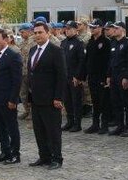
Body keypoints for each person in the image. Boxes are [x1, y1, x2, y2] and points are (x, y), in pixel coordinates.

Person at [27, 22, 67, 170]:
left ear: (48, 33)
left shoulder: (55, 51)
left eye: (40, 32)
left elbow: (61, 75)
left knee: (53, 130)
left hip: (51, 98)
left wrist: (58, 97)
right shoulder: (32, 50)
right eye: (35, 33)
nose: (37, 35)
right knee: (39, 130)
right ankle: (44, 156)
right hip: (36, 97)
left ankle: (56, 158)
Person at [0, 29, 23, 165]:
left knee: (11, 127)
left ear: (6, 39)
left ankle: (15, 154)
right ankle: (5, 151)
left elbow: (17, 80)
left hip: (7, 99)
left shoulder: (13, 56)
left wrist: (13, 99)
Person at [82, 20, 112, 134]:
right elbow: (87, 59)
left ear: (100, 28)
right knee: (95, 101)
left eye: (94, 27)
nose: (92, 29)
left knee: (104, 102)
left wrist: (107, 76)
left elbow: (109, 61)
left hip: (102, 77)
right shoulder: (90, 42)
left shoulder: (106, 42)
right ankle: (95, 124)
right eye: (91, 27)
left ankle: (104, 125)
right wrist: (83, 75)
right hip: (92, 76)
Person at [106, 23, 128, 137]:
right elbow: (110, 61)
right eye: (113, 28)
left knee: (126, 103)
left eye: (116, 28)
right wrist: (108, 75)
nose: (114, 30)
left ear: (122, 29)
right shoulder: (113, 42)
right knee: (116, 102)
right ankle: (120, 126)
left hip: (123, 76)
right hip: (114, 76)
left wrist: (127, 77)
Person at [59, 21, 86, 132]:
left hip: (74, 77)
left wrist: (78, 76)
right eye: (66, 28)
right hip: (65, 76)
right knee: (67, 101)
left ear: (75, 30)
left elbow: (82, 61)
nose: (67, 30)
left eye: (69, 29)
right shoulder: (63, 42)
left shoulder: (79, 43)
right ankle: (69, 121)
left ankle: (77, 123)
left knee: (76, 101)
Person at [17, 23, 34, 121]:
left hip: (30, 72)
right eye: (20, 32)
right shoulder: (22, 43)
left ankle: (32, 112)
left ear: (29, 31)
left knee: (31, 93)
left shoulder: (34, 41)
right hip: (22, 71)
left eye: (23, 32)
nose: (21, 34)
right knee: (23, 93)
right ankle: (26, 110)